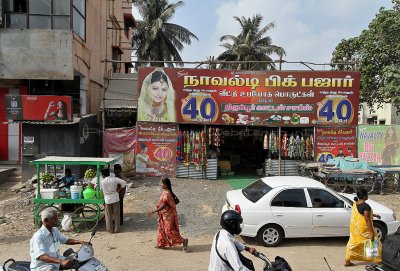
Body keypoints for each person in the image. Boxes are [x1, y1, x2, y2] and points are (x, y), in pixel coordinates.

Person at [148, 177, 188, 251]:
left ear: (165, 185)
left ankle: (184, 240)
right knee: (162, 228)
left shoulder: (167, 194)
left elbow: (164, 205)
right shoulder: (166, 192)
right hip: (164, 214)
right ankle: (161, 244)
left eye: (162, 183)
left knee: (168, 231)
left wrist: (154, 211)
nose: (160, 185)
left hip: (169, 215)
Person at [345, 188, 382, 267]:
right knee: (375, 243)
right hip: (364, 228)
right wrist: (371, 232)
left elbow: (362, 213)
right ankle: (377, 261)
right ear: (365, 196)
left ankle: (347, 260)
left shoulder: (356, 203)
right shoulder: (366, 206)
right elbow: (367, 219)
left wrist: (374, 215)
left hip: (355, 228)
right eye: (367, 194)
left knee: (353, 243)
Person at [100, 168, 127, 233]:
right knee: (116, 215)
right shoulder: (114, 179)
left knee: (108, 215)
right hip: (115, 198)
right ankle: (117, 229)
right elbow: (124, 183)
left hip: (107, 200)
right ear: (109, 173)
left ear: (103, 175)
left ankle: (110, 229)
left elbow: (101, 190)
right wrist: (119, 189)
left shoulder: (102, 181)